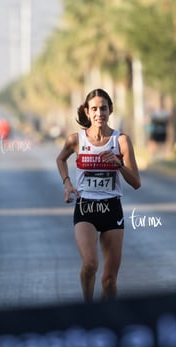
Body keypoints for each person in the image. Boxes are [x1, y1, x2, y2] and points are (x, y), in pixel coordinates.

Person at [56, 88, 141, 303]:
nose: (99, 113)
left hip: (112, 209)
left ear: (110, 110)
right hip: (86, 208)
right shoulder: (76, 139)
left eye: (103, 108)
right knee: (90, 264)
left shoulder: (120, 140)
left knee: (109, 280)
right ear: (86, 111)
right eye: (94, 109)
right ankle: (88, 308)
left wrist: (119, 164)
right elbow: (61, 159)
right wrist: (68, 184)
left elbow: (136, 182)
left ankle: (106, 319)